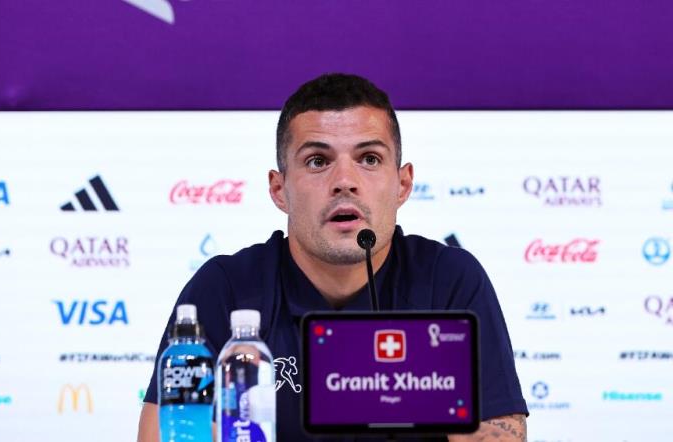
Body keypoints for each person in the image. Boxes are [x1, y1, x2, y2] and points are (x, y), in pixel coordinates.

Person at [138, 73, 528, 442]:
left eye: (369, 159)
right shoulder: (226, 287)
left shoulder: (448, 280)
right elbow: (165, 434)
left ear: (403, 184)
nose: (344, 181)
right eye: (318, 161)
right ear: (279, 189)